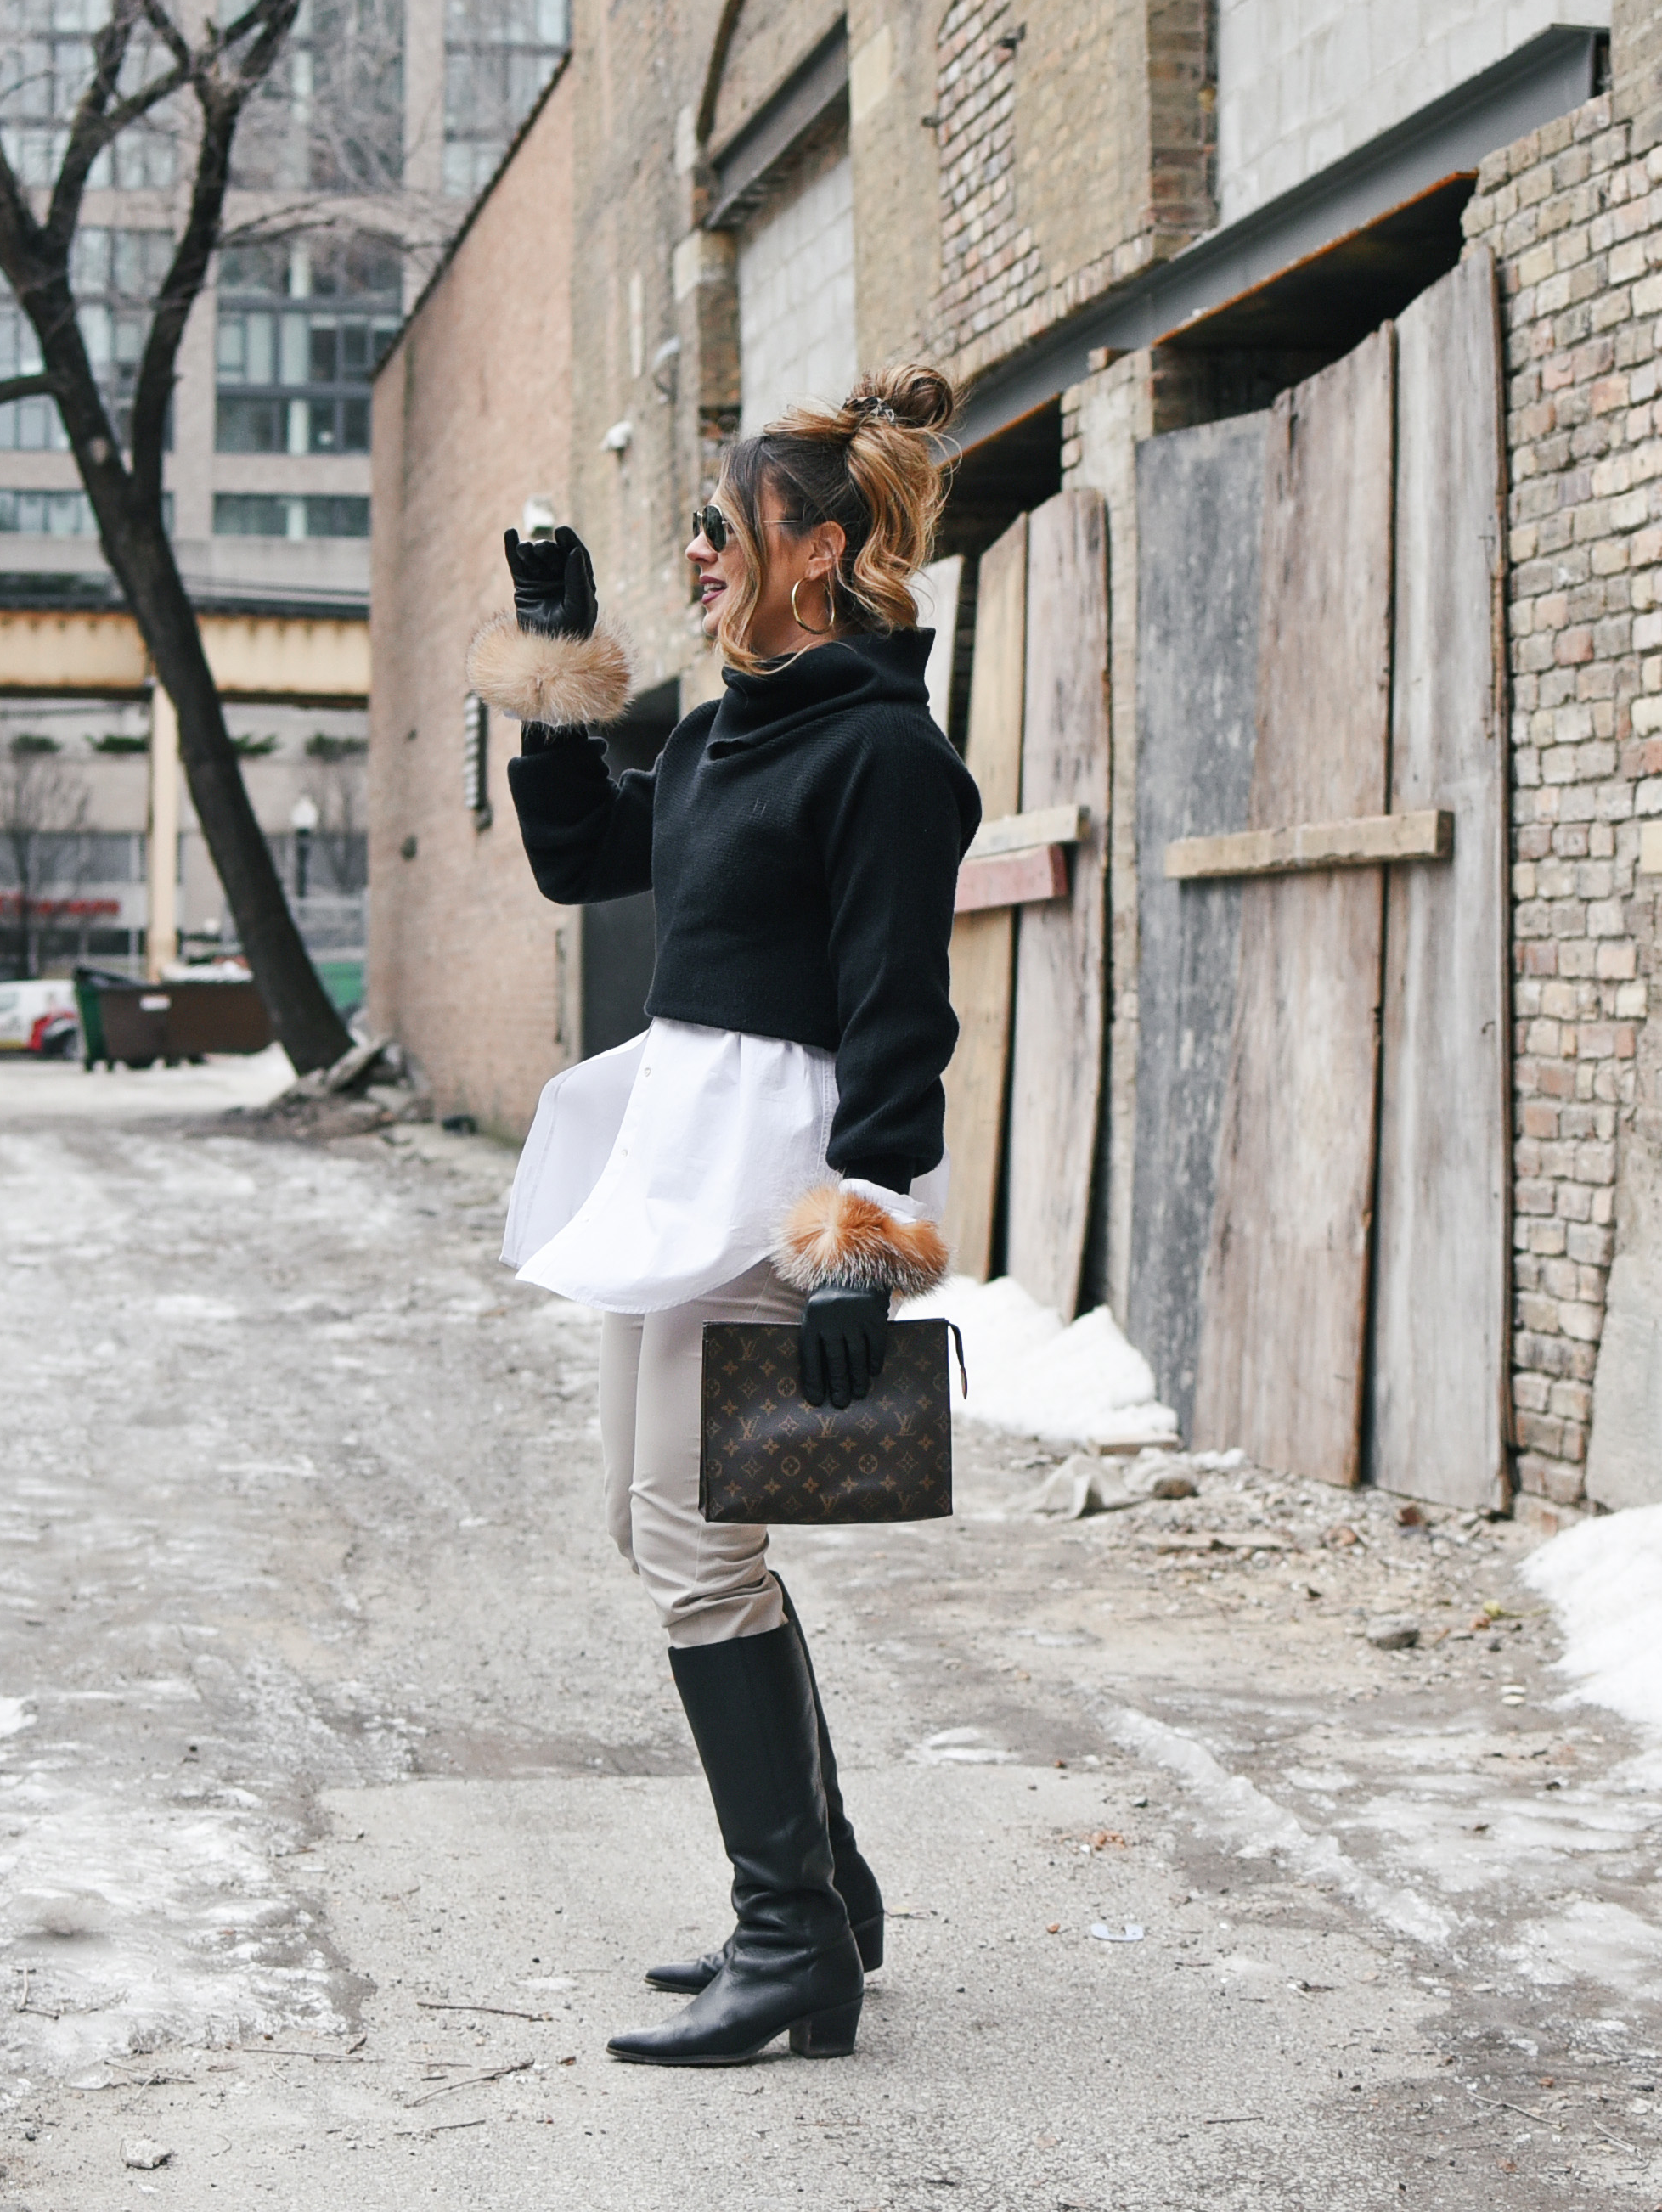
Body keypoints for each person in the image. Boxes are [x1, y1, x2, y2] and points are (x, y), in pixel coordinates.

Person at [474, 365, 980, 2066]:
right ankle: (822, 1892)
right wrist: (557, 659)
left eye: (725, 527)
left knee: (701, 1541)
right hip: (676, 1163)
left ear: (819, 552)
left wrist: (862, 1238)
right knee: (659, 1523)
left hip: (776, 1184)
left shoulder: (887, 756)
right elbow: (576, 859)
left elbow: (900, 1015)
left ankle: (794, 1944)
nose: (696, 551)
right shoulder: (713, 733)